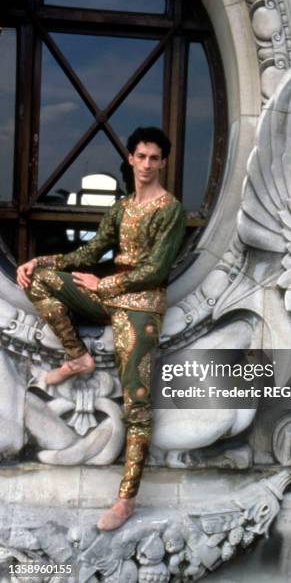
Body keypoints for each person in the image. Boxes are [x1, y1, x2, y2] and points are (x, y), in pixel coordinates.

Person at [16, 127, 186, 531]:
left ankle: (126, 500)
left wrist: (104, 284)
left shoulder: (170, 209)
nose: (146, 164)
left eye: (154, 158)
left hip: (141, 304)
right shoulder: (122, 207)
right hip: (108, 294)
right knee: (41, 284)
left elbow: (156, 270)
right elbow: (90, 252)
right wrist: (39, 261)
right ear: (130, 159)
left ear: (163, 162)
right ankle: (78, 357)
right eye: (140, 156)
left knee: (138, 404)